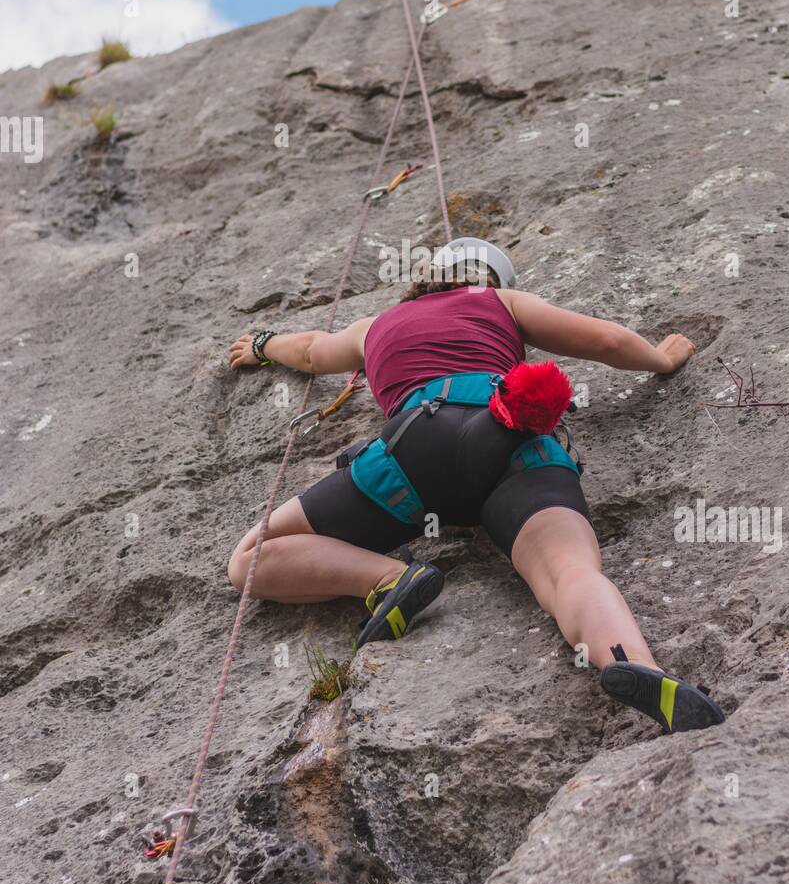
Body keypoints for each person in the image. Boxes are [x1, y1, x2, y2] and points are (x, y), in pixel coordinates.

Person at [227, 239, 725, 734]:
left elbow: (312, 350)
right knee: (568, 571)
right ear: (493, 280)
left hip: (414, 456)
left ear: (427, 277)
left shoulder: (373, 327)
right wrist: (661, 359)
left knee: (251, 559)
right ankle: (637, 665)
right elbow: (607, 342)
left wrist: (262, 345)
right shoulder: (500, 302)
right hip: (515, 446)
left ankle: (388, 581)